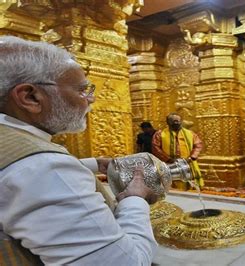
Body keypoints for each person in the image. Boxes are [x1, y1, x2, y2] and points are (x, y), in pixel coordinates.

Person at [0, 36, 158, 265]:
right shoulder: (43, 168)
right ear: (30, 97)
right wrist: (135, 198)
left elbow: (14, 176)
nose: (91, 99)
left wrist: (93, 164)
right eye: (83, 90)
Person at [151, 112, 204, 187]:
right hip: (168, 165)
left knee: (190, 188)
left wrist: (191, 157)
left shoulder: (190, 133)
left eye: (177, 121)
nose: (176, 123)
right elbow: (155, 148)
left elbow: (198, 145)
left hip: (188, 164)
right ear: (168, 122)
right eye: (173, 121)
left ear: (181, 121)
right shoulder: (160, 134)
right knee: (171, 188)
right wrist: (169, 159)